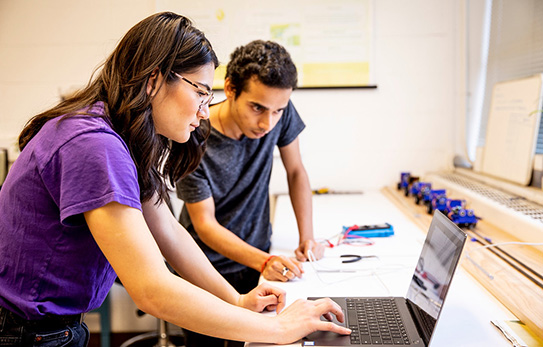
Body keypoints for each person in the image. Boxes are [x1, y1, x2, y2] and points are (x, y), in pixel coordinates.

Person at [0, 12, 350, 347]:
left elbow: (168, 231)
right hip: (22, 330)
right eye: (199, 92)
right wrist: (276, 327)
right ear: (154, 80)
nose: (203, 110)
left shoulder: (121, 136)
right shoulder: (96, 145)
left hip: (48, 326)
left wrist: (237, 300)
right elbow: (152, 290)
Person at [176, 40, 325, 346]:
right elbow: (205, 226)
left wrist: (306, 238)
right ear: (230, 88)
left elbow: (296, 171)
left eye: (277, 111)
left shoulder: (276, 110)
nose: (267, 123)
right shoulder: (192, 137)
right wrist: (264, 260)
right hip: (205, 270)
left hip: (255, 260)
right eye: (257, 108)